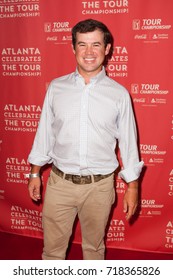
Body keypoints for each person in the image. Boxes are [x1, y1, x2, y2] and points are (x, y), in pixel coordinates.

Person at [28, 18, 144, 260]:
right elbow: (44, 135)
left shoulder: (119, 94)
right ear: (73, 49)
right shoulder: (56, 88)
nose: (89, 52)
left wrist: (132, 186)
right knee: (52, 253)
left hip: (99, 188)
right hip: (60, 185)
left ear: (107, 49)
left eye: (96, 45)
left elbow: (129, 144)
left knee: (94, 250)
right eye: (82, 45)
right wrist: (35, 173)